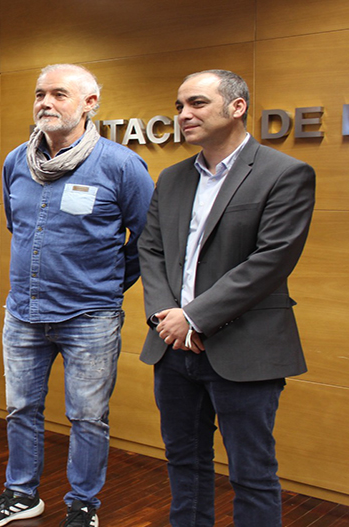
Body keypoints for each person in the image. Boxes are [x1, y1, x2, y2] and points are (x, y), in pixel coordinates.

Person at [0, 64, 154, 527]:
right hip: (24, 313)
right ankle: (21, 494)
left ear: (90, 104)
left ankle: (83, 505)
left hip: (89, 317)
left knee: (88, 417)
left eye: (59, 94)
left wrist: (105, 283)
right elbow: (21, 227)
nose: (45, 103)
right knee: (21, 408)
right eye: (39, 94)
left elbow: (149, 239)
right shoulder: (16, 161)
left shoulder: (120, 164)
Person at [138, 70, 315, 526]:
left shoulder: (285, 173)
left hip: (246, 348)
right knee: (185, 465)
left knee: (251, 473)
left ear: (237, 107)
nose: (183, 114)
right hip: (173, 349)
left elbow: (271, 260)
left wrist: (194, 318)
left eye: (196, 103)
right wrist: (166, 319)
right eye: (179, 106)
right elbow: (151, 248)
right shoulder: (173, 177)